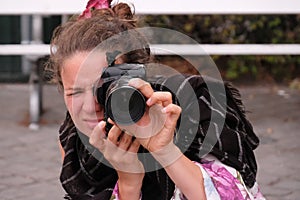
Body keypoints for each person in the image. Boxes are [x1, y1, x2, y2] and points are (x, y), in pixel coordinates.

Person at [46, 0, 266, 199]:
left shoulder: (193, 103)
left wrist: (165, 150)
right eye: (74, 92)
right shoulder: (73, 140)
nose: (89, 106)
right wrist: (129, 181)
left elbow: (233, 195)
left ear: (137, 73)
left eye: (103, 87)